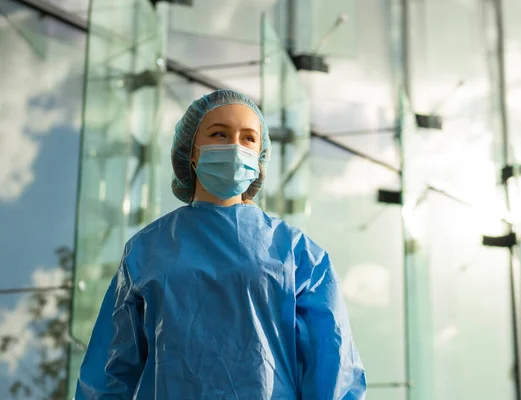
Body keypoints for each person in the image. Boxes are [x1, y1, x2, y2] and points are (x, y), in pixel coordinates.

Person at [75, 89, 367, 399]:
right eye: (219, 134)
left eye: (248, 138)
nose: (234, 147)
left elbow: (333, 372)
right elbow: (109, 374)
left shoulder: (299, 254)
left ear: (260, 155)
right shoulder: (146, 251)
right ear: (192, 150)